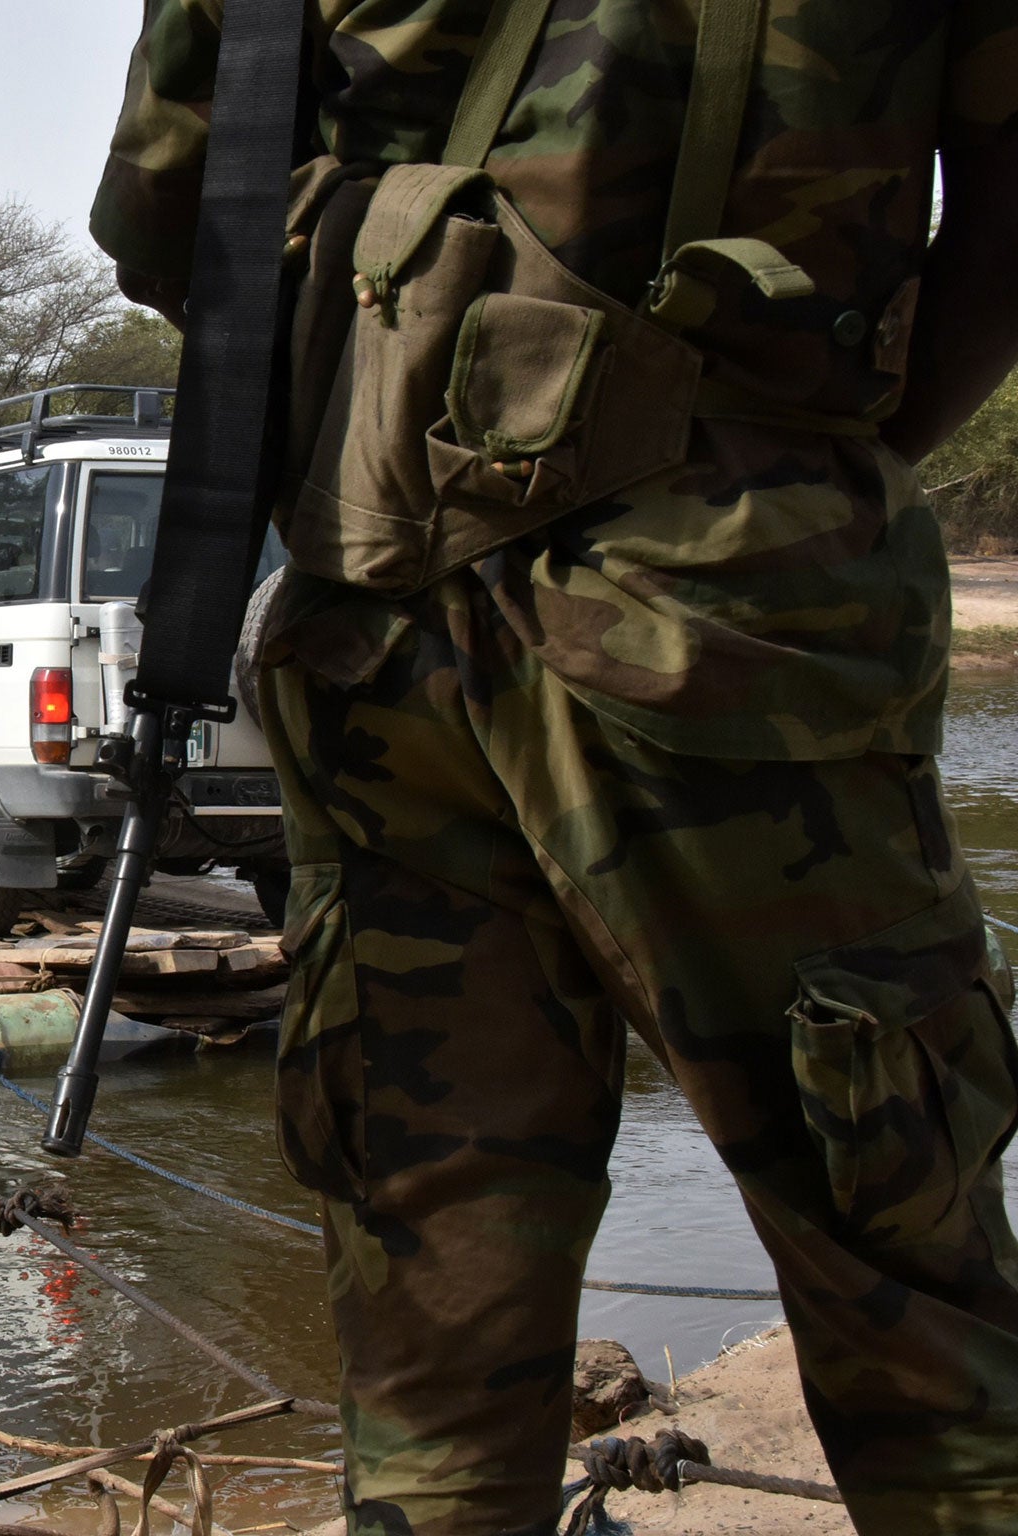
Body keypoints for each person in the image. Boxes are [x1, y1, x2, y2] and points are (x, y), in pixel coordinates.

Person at [96, 3, 1018, 1533]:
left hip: (377, 619)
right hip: (741, 614)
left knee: (433, 1331)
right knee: (913, 1293)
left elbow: (172, 217)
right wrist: (804, 459)